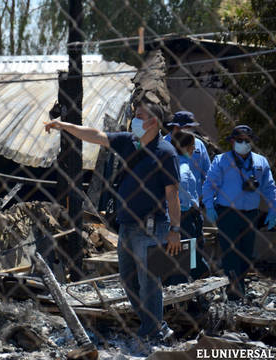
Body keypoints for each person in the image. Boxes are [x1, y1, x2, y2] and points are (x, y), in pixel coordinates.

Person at [45, 101, 181, 346]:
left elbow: (172, 194)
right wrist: (64, 125)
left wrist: (175, 230)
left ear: (153, 122)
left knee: (150, 280)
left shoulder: (166, 153)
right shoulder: (129, 141)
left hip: (151, 227)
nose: (134, 120)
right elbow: (95, 135)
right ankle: (155, 326)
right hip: (126, 225)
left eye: (139, 116)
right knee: (128, 280)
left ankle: (152, 331)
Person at [202, 125, 276, 300]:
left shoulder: (260, 162)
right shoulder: (221, 161)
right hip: (228, 214)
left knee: (246, 255)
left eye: (247, 140)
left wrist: (274, 210)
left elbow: (270, 188)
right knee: (231, 256)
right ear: (232, 142)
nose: (243, 143)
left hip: (250, 215)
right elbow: (208, 185)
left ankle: (240, 290)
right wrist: (209, 207)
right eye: (240, 140)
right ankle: (235, 294)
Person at [169, 130, 209, 283]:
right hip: (184, 218)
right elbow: (182, 201)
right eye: (192, 146)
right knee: (186, 260)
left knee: (181, 260)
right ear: (185, 147)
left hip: (177, 217)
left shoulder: (172, 164)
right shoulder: (184, 170)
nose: (194, 149)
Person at [164, 111, 211, 197]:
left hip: (195, 201)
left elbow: (207, 174)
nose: (189, 130)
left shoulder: (199, 144)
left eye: (190, 127)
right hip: (169, 201)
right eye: (186, 127)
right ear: (176, 127)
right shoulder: (163, 144)